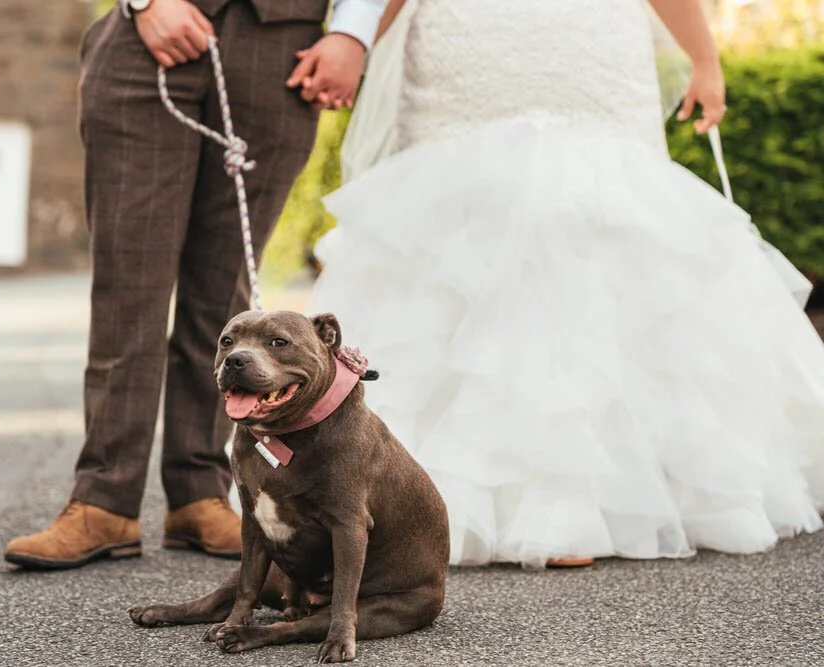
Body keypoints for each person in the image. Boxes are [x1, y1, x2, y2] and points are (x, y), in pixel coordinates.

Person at [309, 0, 824, 568]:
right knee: (463, 222)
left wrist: (705, 58)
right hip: (467, 41)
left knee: (599, 223)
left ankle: (583, 503)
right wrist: (352, 42)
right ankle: (397, 499)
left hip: (590, 43)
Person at [4, 0, 383, 570]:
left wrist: (353, 34)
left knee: (224, 298)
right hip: (147, 42)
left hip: (282, 53)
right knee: (127, 291)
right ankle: (104, 500)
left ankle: (199, 493)